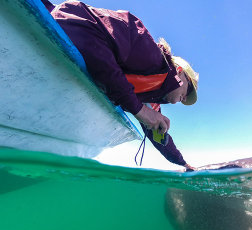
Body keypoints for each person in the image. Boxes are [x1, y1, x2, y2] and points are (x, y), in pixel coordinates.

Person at [42, 0, 198, 171]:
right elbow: (79, 23)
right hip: (64, 20)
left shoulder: (151, 97)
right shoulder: (149, 53)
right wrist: (140, 111)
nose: (184, 99)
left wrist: (182, 163)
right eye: (188, 91)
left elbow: (158, 136)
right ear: (180, 71)